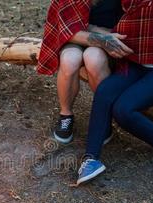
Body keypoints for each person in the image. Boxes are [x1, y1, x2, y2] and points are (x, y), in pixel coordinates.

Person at [77, 0, 153, 184]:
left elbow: (132, 30)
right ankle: (91, 158)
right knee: (104, 91)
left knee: (123, 109)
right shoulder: (128, 5)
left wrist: (95, 31)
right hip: (137, 64)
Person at [37, 0, 133, 144]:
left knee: (94, 60)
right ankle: (66, 115)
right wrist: (100, 35)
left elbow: (131, 23)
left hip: (111, 36)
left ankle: (103, 116)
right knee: (69, 61)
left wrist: (104, 34)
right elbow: (68, 31)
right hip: (78, 35)